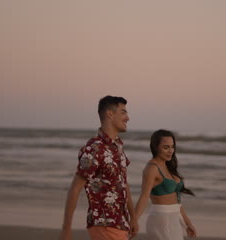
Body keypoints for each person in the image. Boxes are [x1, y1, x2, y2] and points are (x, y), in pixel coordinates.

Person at [59, 96, 138, 240]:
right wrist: (66, 230)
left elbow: (123, 184)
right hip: (103, 223)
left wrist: (133, 217)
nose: (128, 118)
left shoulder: (118, 147)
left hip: (120, 223)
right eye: (123, 112)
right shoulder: (94, 148)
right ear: (110, 114)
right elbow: (75, 188)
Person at [134, 129, 197, 239]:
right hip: (161, 221)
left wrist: (188, 223)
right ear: (155, 147)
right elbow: (144, 196)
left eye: (172, 147)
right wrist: (133, 221)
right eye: (166, 147)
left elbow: (176, 201)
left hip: (174, 219)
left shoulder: (167, 166)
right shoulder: (152, 168)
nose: (170, 151)